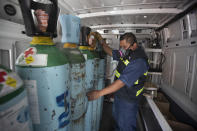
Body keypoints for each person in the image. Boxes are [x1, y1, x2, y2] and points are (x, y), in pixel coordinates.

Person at [87, 32, 149, 131]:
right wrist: (102, 42)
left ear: (133, 44)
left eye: (124, 46)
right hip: (120, 94)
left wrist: (99, 93)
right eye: (121, 46)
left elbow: (122, 82)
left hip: (129, 99)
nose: (122, 49)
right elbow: (112, 52)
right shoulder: (127, 51)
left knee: (125, 126)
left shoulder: (139, 61)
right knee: (117, 122)